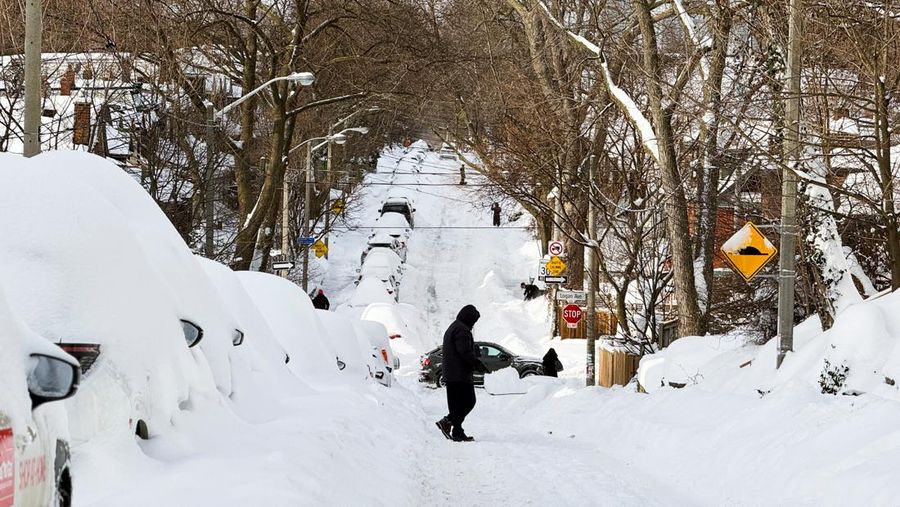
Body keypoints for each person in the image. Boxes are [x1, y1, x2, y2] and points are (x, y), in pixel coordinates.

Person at [436, 305, 487, 442]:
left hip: (452, 373)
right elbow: (464, 351)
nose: (474, 324)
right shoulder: (462, 330)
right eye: (474, 321)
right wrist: (476, 363)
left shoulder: (454, 327)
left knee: (456, 405)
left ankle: (457, 432)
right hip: (459, 375)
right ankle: (447, 421)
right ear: (469, 318)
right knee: (469, 401)